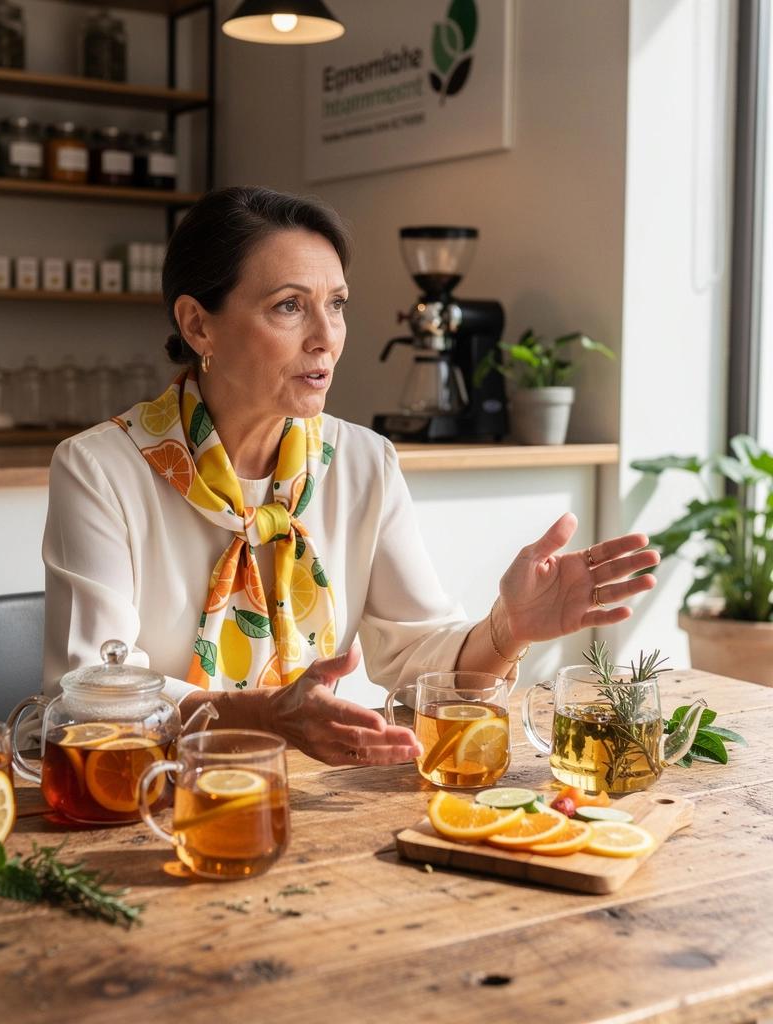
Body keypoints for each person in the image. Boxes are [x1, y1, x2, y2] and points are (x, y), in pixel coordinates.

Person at [42, 186, 658, 766]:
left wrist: (509, 628)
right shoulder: (101, 469)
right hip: (152, 796)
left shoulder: (363, 462)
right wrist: (263, 716)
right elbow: (95, 692)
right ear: (199, 324)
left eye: (335, 305)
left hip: (311, 797)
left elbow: (419, 655)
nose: (326, 338)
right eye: (289, 306)